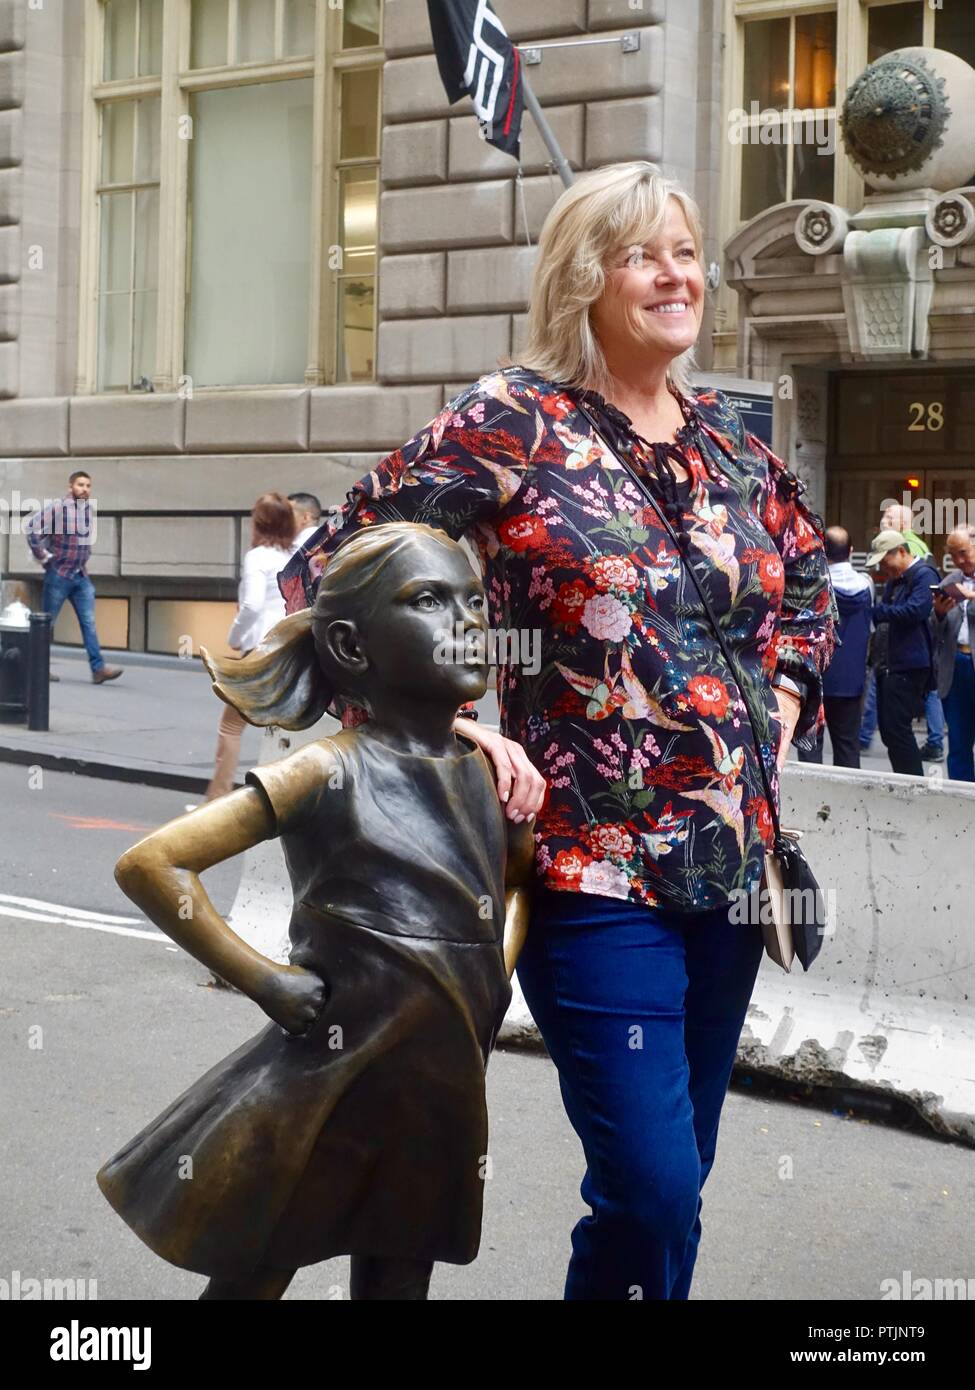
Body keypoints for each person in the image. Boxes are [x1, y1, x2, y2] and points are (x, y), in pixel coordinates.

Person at [278, 161, 838, 1301]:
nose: (675, 275)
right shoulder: (511, 423)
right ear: (585, 278)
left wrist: (780, 704)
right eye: (644, 254)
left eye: (685, 251)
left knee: (680, 1186)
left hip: (735, 875)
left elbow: (814, 582)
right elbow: (328, 575)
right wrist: (457, 730)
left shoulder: (730, 441)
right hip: (595, 870)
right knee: (650, 1184)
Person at [97, 522, 535, 1300]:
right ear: (350, 645)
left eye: (473, 599)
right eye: (430, 600)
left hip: (440, 1083)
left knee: (402, 1268)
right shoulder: (327, 768)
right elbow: (153, 863)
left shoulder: (485, 775)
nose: (468, 622)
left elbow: (517, 884)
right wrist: (266, 981)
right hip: (327, 1077)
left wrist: (487, 976)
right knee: (259, 1263)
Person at [203, 492, 296, 802]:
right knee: (283, 728)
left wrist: (235, 638)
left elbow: (252, 605)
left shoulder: (257, 557)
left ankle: (217, 799)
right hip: (291, 649)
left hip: (260, 649)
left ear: (258, 523)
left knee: (231, 726)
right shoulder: (294, 556)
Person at [25, 470, 122, 684]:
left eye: (88, 486)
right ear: (71, 487)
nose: (84, 489)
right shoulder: (58, 508)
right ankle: (37, 668)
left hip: (80, 576)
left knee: (89, 622)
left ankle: (98, 669)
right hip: (59, 575)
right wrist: (43, 557)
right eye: (80, 485)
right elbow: (32, 529)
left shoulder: (87, 510)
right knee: (46, 625)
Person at [865, 529, 939, 777]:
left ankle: (912, 782)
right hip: (889, 664)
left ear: (902, 552)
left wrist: (880, 612)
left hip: (908, 665)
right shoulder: (896, 580)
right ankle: (904, 780)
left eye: (886, 561)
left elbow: (914, 611)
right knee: (889, 730)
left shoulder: (923, 574)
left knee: (897, 728)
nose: (884, 568)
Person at [797, 527, 872, 768]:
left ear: (822, 550)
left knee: (810, 747)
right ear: (851, 551)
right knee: (848, 746)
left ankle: (810, 804)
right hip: (851, 679)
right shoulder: (867, 585)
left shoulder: (812, 584)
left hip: (815, 675)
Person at [881, 502, 945, 761]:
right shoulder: (897, 569)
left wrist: (880, 612)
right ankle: (935, 740)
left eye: (889, 516)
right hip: (898, 657)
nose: (884, 519)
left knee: (922, 700)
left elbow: (916, 609)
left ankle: (935, 741)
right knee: (893, 727)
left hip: (912, 655)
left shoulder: (916, 558)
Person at [931, 525, 975, 782]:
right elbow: (934, 629)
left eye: (963, 552)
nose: (959, 560)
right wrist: (938, 612)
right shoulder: (950, 582)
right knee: (958, 742)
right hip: (955, 666)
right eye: (953, 554)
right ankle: (961, 801)